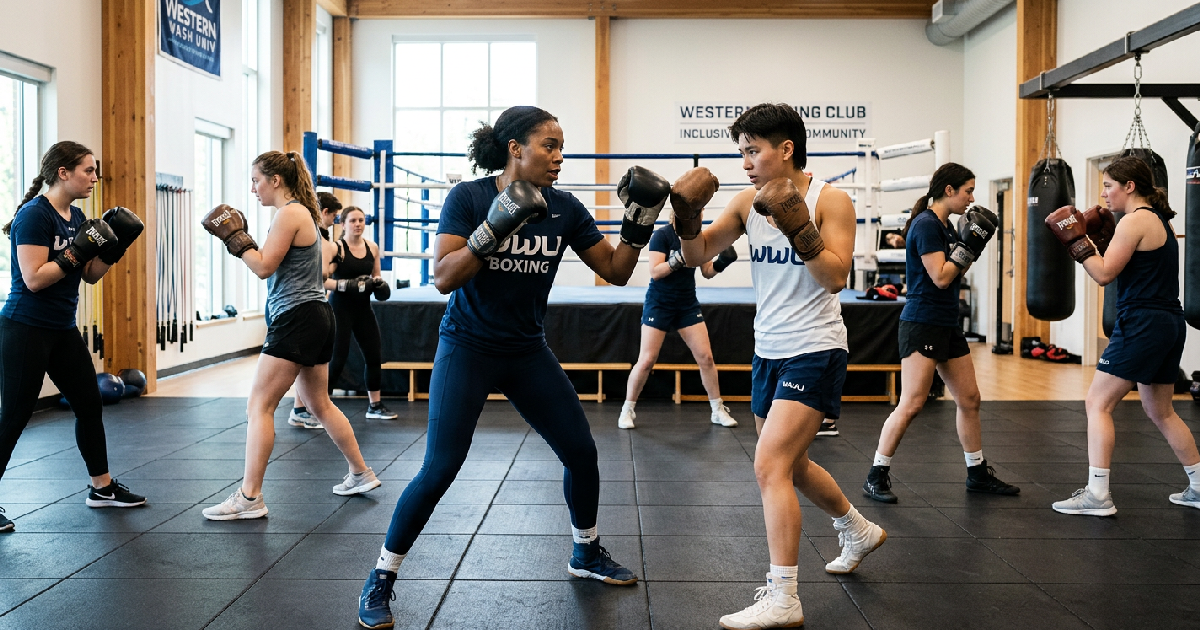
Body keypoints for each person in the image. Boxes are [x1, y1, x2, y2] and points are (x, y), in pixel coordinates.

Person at [357, 106, 661, 629]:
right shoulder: (470, 198)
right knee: (441, 466)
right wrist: (495, 225)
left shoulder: (565, 209)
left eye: (562, 146)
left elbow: (614, 271)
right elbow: (445, 277)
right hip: (467, 347)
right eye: (549, 145)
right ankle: (381, 577)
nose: (559, 157)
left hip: (526, 351)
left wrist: (639, 223)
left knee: (581, 452)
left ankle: (584, 551)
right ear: (515, 148)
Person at [678, 103, 885, 629]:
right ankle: (856, 528)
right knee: (790, 465)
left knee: (768, 466)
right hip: (766, 349)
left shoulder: (830, 199)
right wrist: (684, 215)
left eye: (754, 150)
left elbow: (836, 277)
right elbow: (699, 253)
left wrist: (798, 225)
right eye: (741, 152)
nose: (745, 163)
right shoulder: (746, 202)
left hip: (815, 347)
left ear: (785, 148)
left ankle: (784, 596)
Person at [200, 150, 380, 521]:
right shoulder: (305, 215)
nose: (253, 189)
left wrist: (237, 240)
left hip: (298, 317)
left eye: (256, 180)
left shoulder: (290, 213)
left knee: (259, 406)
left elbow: (264, 267)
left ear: (275, 180)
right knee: (319, 404)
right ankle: (361, 474)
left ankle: (250, 497)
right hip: (316, 315)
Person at [0, 141, 147, 534]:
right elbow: (33, 279)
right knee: (13, 417)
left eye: (95, 171)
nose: (95, 178)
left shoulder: (77, 214)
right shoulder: (33, 216)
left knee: (88, 404)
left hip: (61, 328)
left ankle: (101, 488)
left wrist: (115, 248)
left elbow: (89, 274)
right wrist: (76, 252)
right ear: (63, 172)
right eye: (88, 170)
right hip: (26, 327)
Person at [1047, 156, 1200, 515]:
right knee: (1160, 410)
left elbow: (1103, 274)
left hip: (1143, 322)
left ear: (1129, 186)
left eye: (1108, 185)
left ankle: (1097, 495)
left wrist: (1077, 243)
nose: (1103, 193)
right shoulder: (1156, 219)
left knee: (1097, 403)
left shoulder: (1134, 221)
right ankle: (1198, 485)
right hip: (1167, 322)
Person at [861, 163, 1019, 504]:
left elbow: (953, 269)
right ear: (949, 190)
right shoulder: (927, 225)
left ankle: (977, 473)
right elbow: (942, 276)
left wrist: (966, 248)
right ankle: (876, 474)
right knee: (912, 403)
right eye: (968, 190)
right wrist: (970, 249)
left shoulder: (945, 225)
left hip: (946, 322)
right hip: (923, 322)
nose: (971, 198)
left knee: (970, 399)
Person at [618, 222, 738, 429]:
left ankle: (717, 409)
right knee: (646, 360)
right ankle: (627, 410)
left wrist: (722, 262)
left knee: (706, 357)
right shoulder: (662, 236)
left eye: (699, 210)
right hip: (659, 303)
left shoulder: (698, 237)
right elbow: (655, 271)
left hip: (686, 304)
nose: (697, 214)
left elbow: (707, 271)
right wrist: (681, 258)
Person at [325, 205, 396, 420]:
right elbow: (323, 279)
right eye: (353, 220)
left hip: (363, 309)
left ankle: (374, 405)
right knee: (337, 358)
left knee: (374, 355)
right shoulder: (337, 249)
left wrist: (380, 286)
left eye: (361, 221)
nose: (358, 225)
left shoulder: (372, 247)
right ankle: (320, 405)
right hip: (340, 308)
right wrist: (346, 285)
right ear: (343, 223)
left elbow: (376, 276)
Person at [289, 191, 347, 429]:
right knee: (303, 364)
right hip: (300, 305)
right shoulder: (313, 235)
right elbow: (320, 274)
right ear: (324, 212)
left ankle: (301, 409)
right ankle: (300, 409)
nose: (335, 220)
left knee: (307, 363)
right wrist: (336, 264)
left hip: (309, 304)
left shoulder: (318, 234)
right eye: (334, 216)